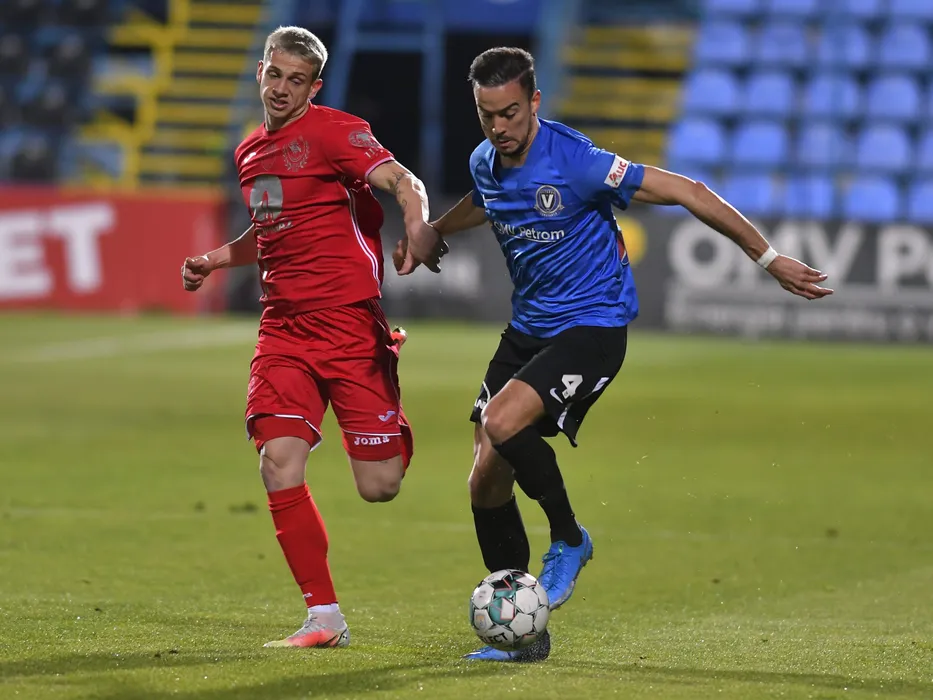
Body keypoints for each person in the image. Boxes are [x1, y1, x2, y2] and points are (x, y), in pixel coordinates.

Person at [396, 46, 833, 662]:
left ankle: (569, 539)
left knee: (501, 422)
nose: (499, 127)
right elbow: (484, 198)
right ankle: (525, 635)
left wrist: (768, 259)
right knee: (485, 480)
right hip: (528, 329)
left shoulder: (575, 160)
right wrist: (434, 231)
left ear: (535, 101)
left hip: (593, 327)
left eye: (510, 113)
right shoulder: (485, 161)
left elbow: (686, 189)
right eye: (486, 115)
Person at [181, 26, 445, 649]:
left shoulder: (335, 133)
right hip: (283, 327)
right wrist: (215, 260)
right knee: (277, 462)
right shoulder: (249, 152)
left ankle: (386, 390)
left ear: (314, 86)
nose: (281, 88)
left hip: (349, 324)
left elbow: (403, 181)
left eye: (295, 80)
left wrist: (416, 224)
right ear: (260, 72)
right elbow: (270, 228)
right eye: (274, 75)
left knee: (379, 486)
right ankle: (324, 618)